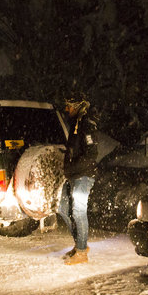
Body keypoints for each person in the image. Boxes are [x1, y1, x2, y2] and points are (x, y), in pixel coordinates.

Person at [59, 95, 99, 265]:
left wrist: (73, 166)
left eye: (69, 106)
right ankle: (80, 244)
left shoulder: (87, 125)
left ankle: (81, 252)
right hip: (73, 175)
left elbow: (91, 154)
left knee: (78, 212)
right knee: (62, 208)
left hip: (83, 175)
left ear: (77, 106)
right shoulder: (75, 124)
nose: (66, 109)